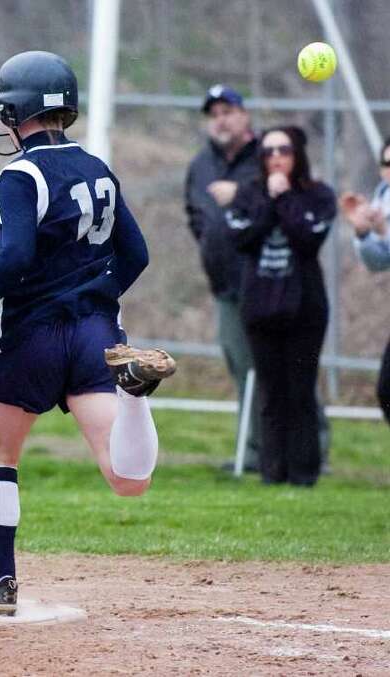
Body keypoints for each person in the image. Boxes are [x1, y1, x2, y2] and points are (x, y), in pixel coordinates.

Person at [0, 51, 176, 616]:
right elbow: (136, 254)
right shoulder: (97, 166)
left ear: (19, 108)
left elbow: (18, 254)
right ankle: (134, 395)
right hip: (97, 333)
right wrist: (93, 296)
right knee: (126, 478)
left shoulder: (20, 175)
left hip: (29, 334)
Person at [226, 126, 336, 486]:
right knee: (270, 392)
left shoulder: (318, 195)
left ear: (298, 154)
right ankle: (273, 474)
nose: (275, 157)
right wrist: (270, 201)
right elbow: (241, 238)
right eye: (268, 151)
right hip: (260, 308)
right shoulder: (249, 193)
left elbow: (308, 239)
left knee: (300, 390)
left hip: (305, 309)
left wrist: (286, 198)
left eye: (284, 150)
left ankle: (304, 474)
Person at [184, 85, 263, 471]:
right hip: (225, 285)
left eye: (228, 110)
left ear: (244, 115)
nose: (221, 119)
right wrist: (209, 241)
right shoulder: (201, 165)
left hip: (269, 280)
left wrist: (242, 193)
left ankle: (303, 449)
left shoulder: (270, 157)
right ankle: (252, 452)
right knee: (240, 366)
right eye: (214, 113)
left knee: (283, 367)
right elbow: (195, 213)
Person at [340, 137, 390, 424]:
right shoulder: (383, 195)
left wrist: (382, 230)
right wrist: (363, 232)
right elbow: (378, 261)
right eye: (387, 163)